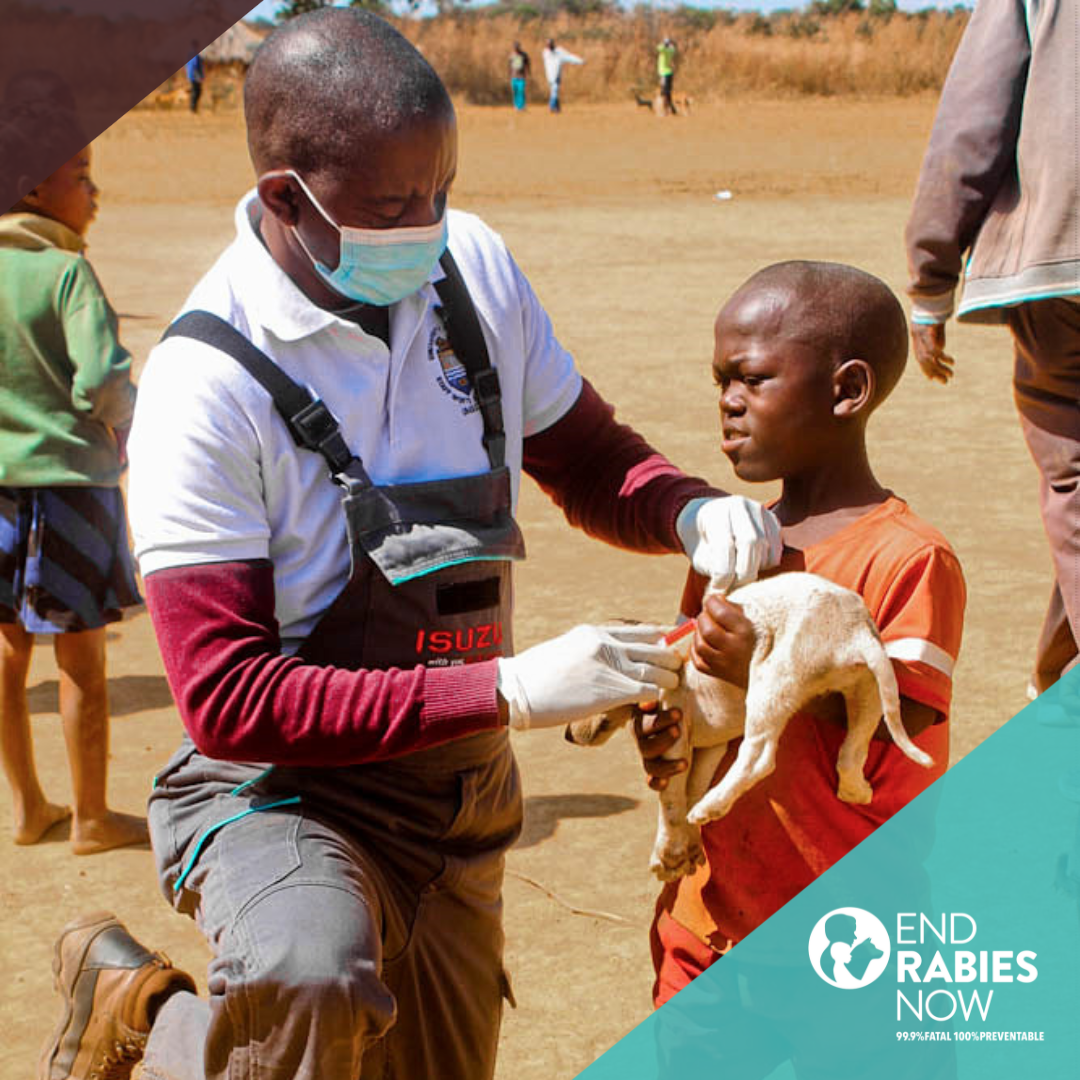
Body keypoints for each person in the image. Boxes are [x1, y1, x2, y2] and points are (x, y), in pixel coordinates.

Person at [36, 11, 782, 1080]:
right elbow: (231, 699)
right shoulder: (206, 389)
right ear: (286, 198)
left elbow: (580, 451)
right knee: (312, 978)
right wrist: (510, 691)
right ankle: (156, 1025)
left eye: (441, 187)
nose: (429, 224)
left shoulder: (466, 266)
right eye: (393, 206)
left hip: (455, 789)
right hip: (283, 790)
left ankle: (161, 1019)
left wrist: (691, 508)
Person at [636, 261, 965, 1074]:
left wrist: (768, 668)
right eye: (720, 380)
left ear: (846, 390)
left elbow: (904, 722)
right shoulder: (733, 546)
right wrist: (663, 729)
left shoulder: (909, 558)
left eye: (752, 379)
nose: (728, 401)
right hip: (708, 923)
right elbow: (699, 697)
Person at [904, 0, 1080, 705]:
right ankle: (1056, 677)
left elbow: (974, 118)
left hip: (1063, 264)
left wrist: (930, 280)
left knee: (1074, 478)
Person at [0, 108, 145, 855]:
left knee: (7, 649)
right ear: (31, 189)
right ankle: (91, 816)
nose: (96, 194)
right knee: (81, 659)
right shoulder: (66, 271)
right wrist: (129, 417)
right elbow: (102, 382)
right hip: (70, 491)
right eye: (82, 177)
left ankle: (27, 807)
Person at [542, 37, 584, 114]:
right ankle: (557, 108)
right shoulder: (545, 53)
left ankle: (551, 106)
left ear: (552, 44)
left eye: (550, 44)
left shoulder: (559, 52)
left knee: (554, 91)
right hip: (549, 76)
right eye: (547, 45)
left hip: (556, 76)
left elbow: (570, 57)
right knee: (554, 92)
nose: (548, 46)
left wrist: (580, 61)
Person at [656, 36, 677, 116]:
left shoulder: (664, 50)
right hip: (669, 72)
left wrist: (663, 44)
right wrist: (669, 44)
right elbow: (673, 48)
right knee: (668, 92)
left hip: (663, 73)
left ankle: (664, 111)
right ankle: (671, 109)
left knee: (663, 92)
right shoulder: (671, 50)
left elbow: (658, 48)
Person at [508, 40, 531, 111]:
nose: (516, 48)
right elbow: (509, 66)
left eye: (517, 46)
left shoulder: (524, 55)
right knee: (515, 91)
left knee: (521, 91)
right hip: (513, 76)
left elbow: (527, 64)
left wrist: (528, 72)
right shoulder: (511, 55)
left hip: (521, 76)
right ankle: (516, 105)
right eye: (515, 47)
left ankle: (522, 106)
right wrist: (509, 74)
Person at [184, 46, 204, 114]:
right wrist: (199, 76)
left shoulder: (190, 55)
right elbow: (195, 66)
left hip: (192, 76)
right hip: (195, 76)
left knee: (195, 91)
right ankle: (193, 108)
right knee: (196, 92)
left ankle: (193, 108)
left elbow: (187, 67)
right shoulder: (195, 55)